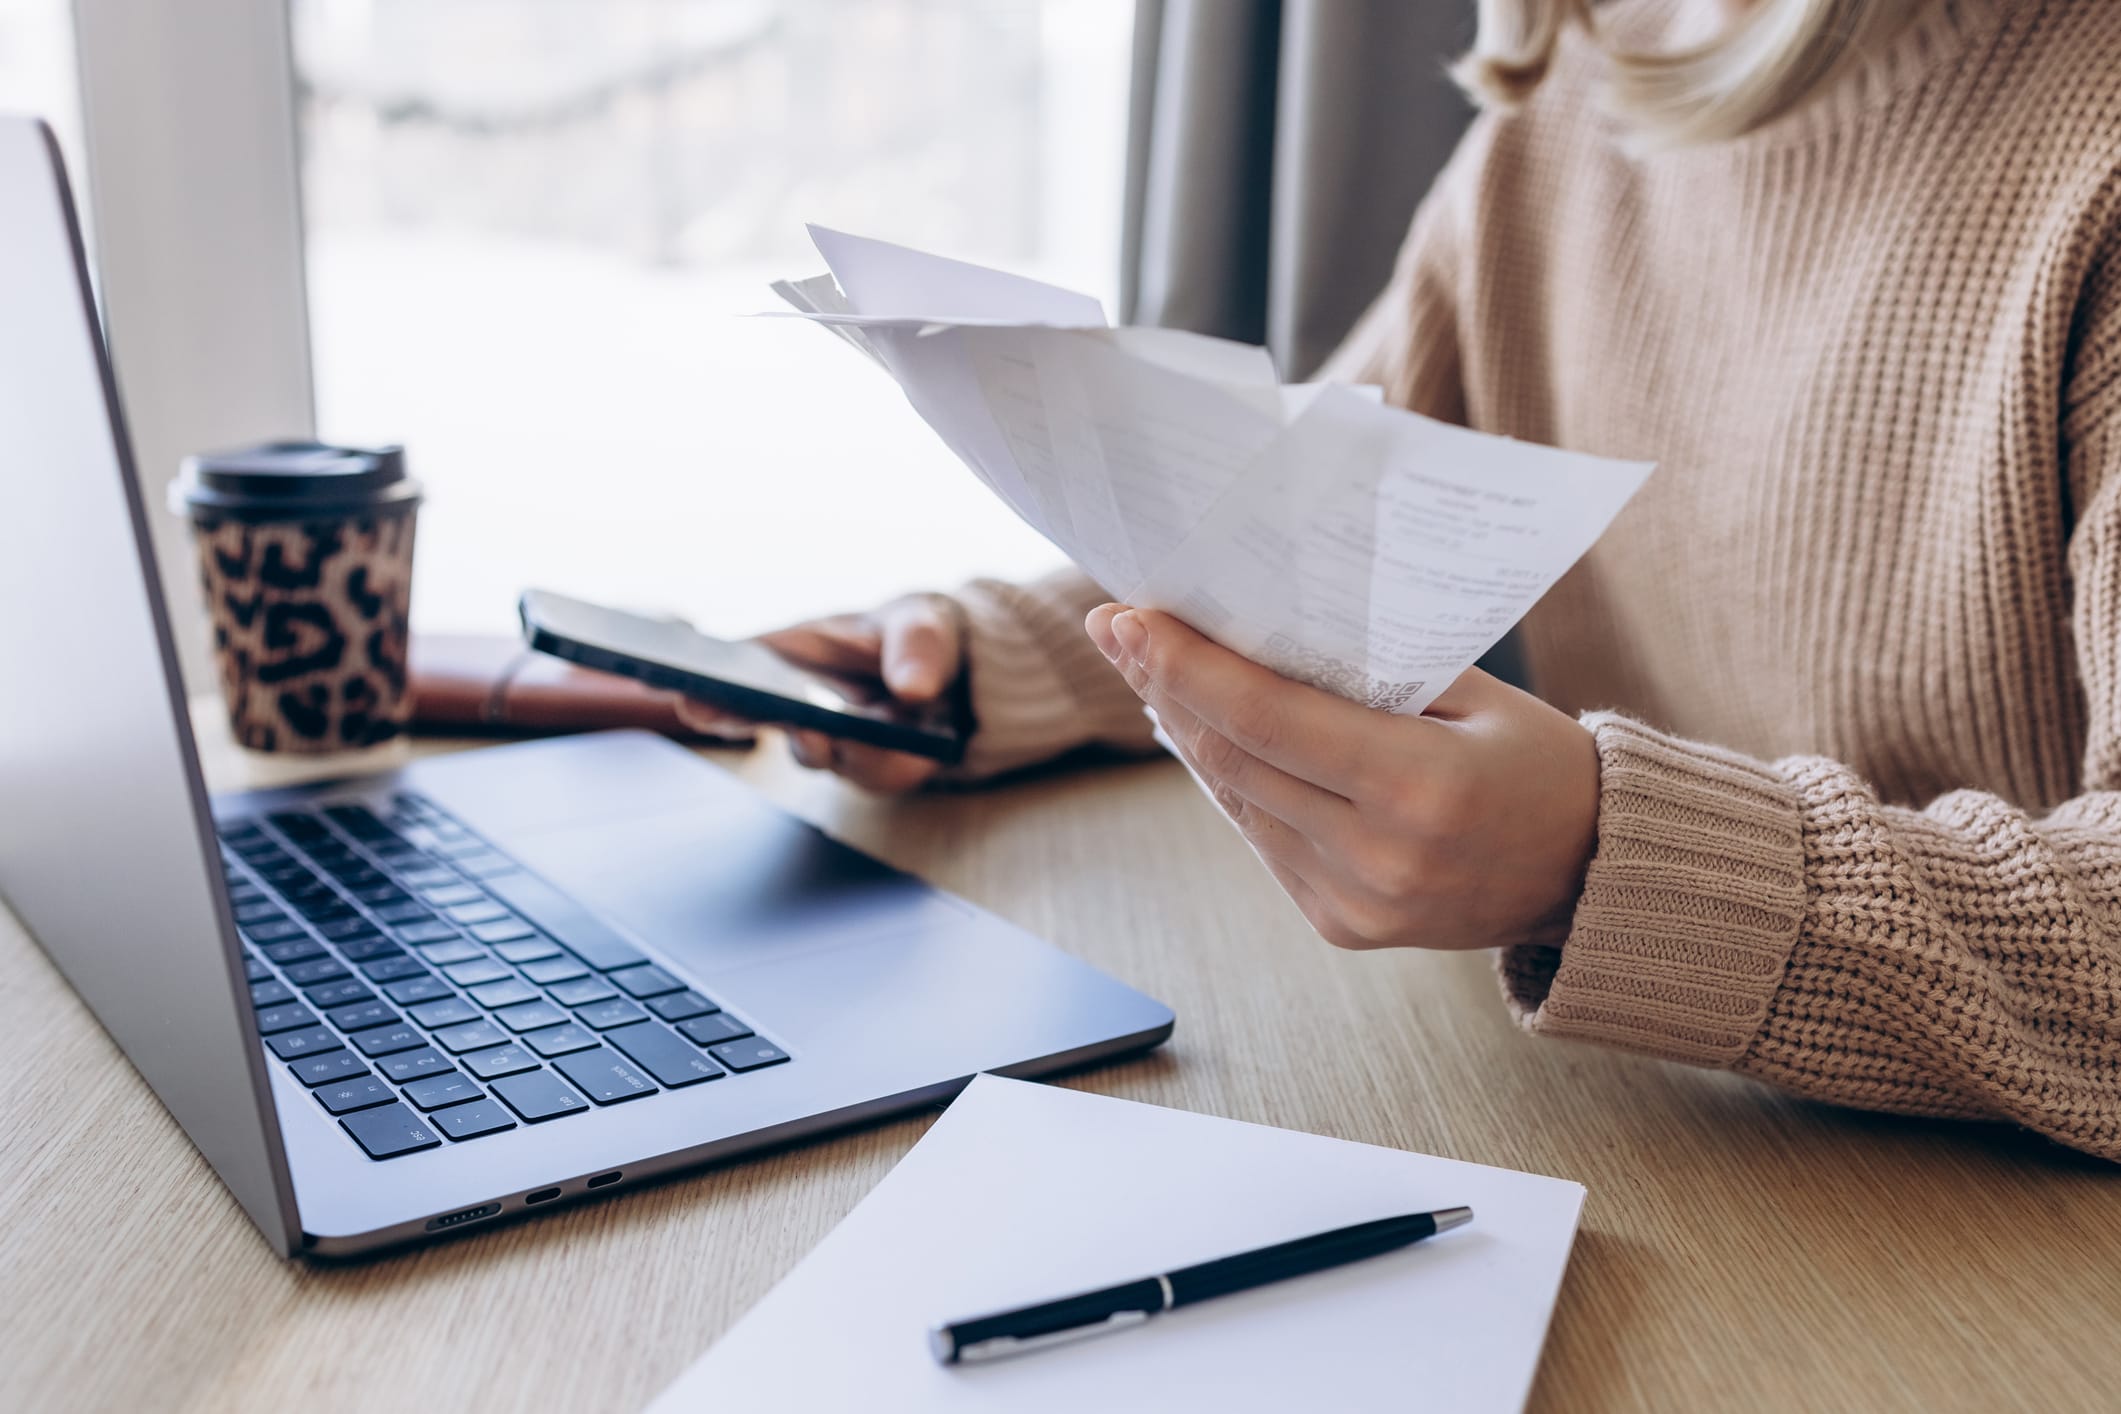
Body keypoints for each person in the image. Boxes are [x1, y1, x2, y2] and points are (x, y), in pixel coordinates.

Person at [682, 0, 2121, 1161]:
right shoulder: (1572, 94)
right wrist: (978, 654)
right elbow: (1301, 512)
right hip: (1706, 1156)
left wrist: (1610, 857)